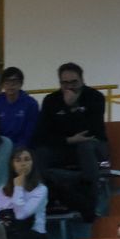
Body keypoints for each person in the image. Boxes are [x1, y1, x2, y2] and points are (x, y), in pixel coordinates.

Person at [34, 63, 108, 220]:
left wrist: (71, 108)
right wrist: (68, 139)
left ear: (82, 80)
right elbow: (43, 134)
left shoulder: (96, 98)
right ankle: (47, 202)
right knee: (38, 152)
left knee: (85, 146)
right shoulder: (51, 100)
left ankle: (90, 206)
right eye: (64, 83)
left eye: (73, 82)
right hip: (64, 146)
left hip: (93, 147)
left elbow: (91, 130)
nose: (69, 87)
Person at [0, 66, 39, 150]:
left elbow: (30, 133)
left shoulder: (31, 104)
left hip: (23, 148)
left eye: (14, 82)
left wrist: (18, 148)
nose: (11, 85)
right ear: (3, 85)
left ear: (21, 84)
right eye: (7, 82)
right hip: (1, 147)